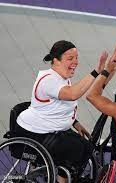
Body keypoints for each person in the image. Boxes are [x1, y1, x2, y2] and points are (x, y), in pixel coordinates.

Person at [15, 40, 107, 183]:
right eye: (70, 58)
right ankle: (61, 179)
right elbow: (72, 94)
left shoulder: (62, 79)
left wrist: (75, 123)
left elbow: (58, 107)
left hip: (49, 130)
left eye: (76, 58)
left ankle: (68, 176)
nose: (75, 62)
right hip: (34, 133)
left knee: (87, 146)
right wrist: (96, 72)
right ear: (56, 60)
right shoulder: (49, 80)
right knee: (74, 148)